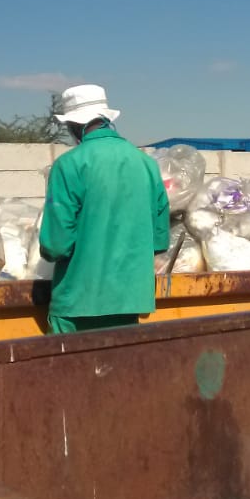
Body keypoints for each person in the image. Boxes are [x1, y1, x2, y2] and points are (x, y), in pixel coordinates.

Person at [38, 84, 170, 333]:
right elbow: (160, 240)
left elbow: (55, 244)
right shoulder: (146, 164)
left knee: (71, 370)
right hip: (129, 299)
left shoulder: (69, 165)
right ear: (105, 118)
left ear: (74, 125)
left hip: (78, 300)